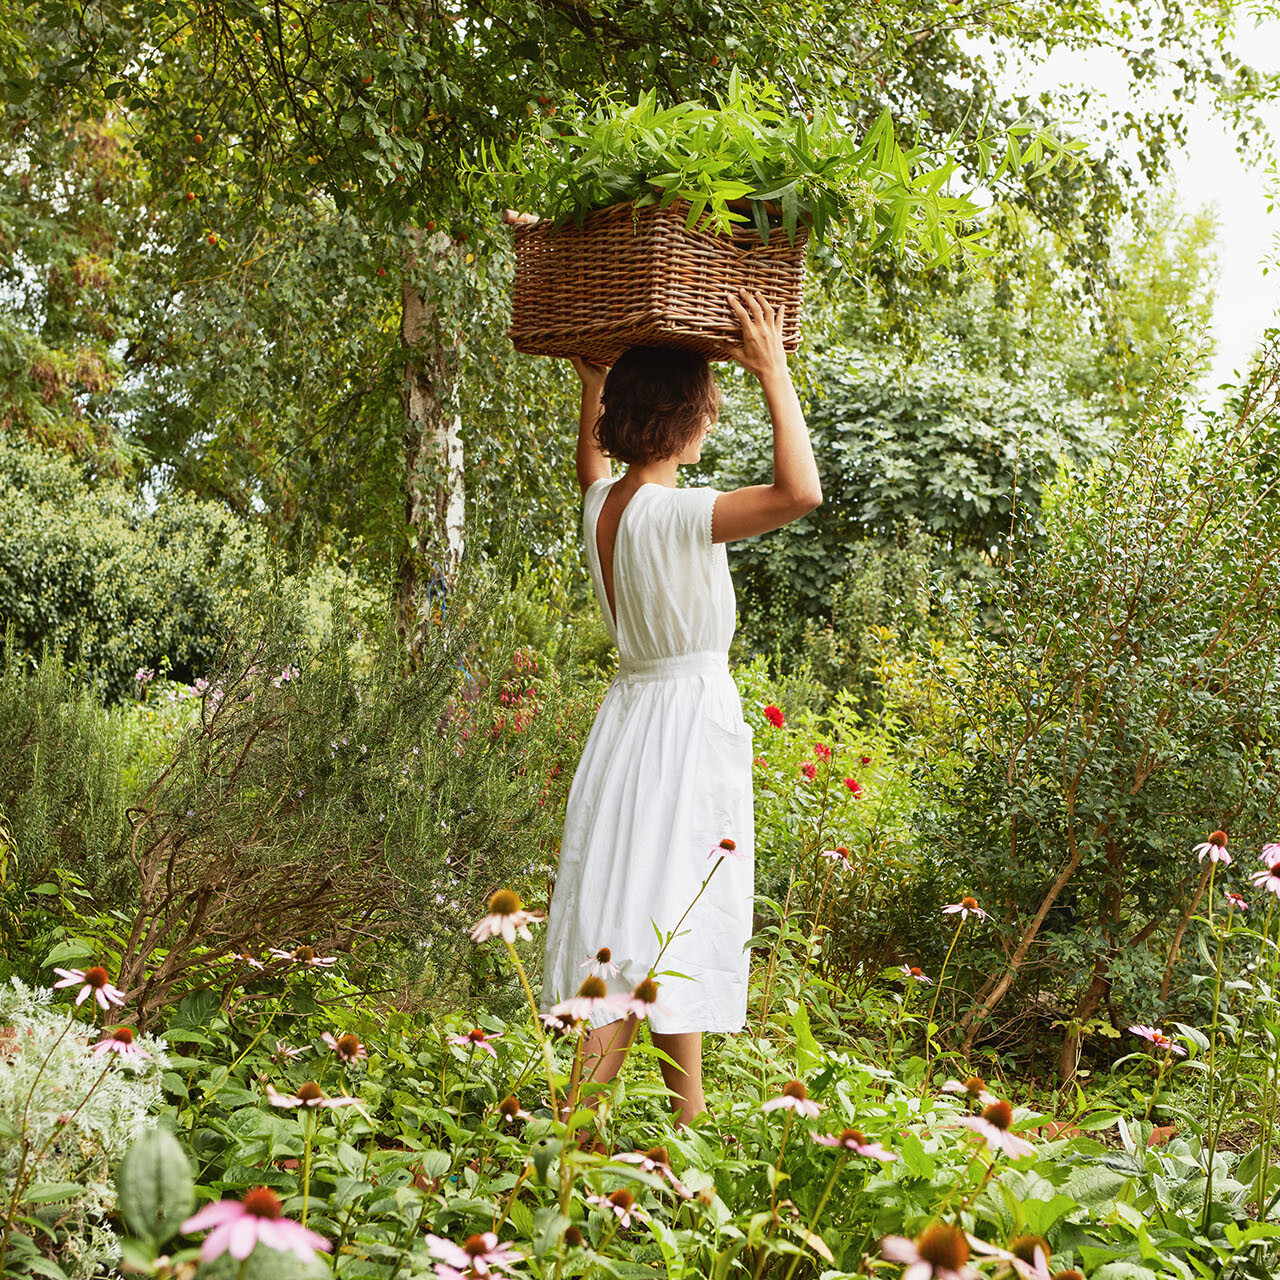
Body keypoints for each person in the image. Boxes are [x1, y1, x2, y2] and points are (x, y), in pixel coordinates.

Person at [538, 288, 822, 1127]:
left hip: (632, 724)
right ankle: (571, 1139)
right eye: (709, 404)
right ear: (684, 419)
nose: (716, 414)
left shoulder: (610, 507)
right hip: (681, 729)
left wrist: (591, 382)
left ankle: (685, 1124)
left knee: (654, 913)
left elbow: (592, 465)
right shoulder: (681, 514)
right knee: (644, 924)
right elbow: (799, 491)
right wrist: (774, 370)